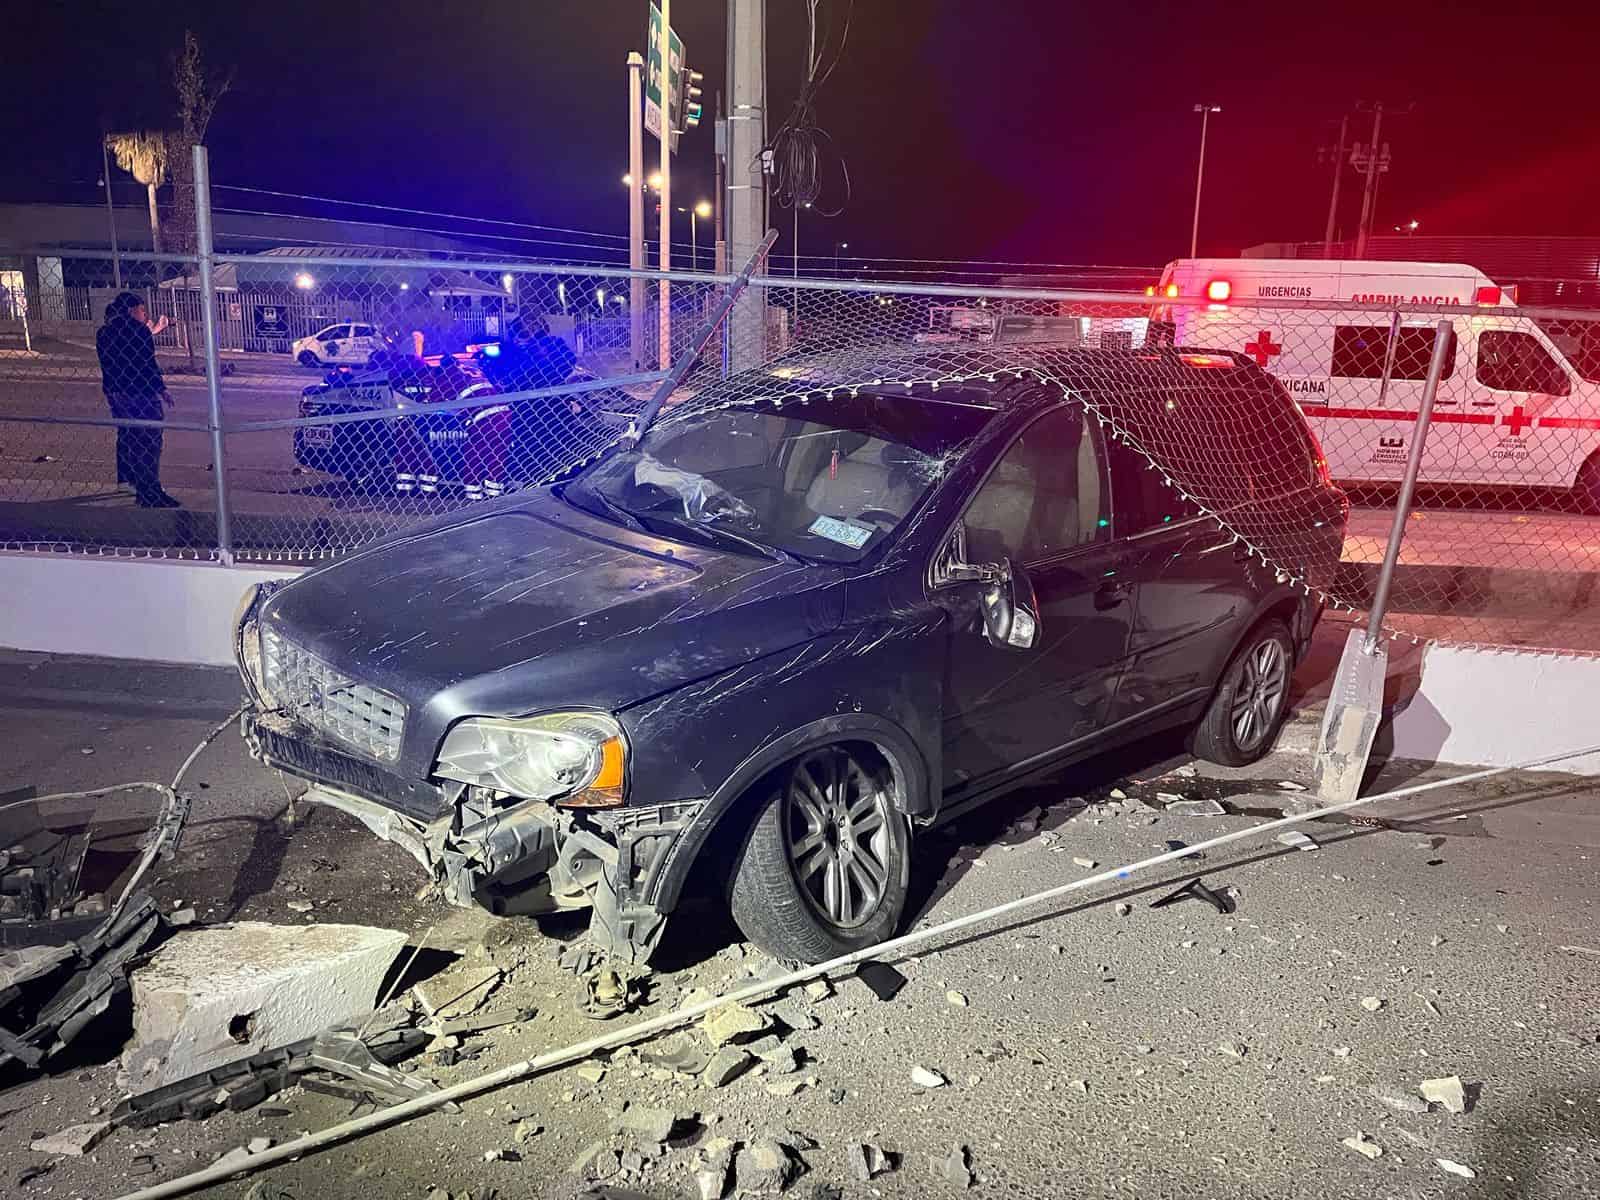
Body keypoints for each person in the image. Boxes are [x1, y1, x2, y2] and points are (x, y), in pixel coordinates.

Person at [96, 292, 178, 508]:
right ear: (132, 310)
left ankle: (133, 482)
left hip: (117, 393)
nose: (145, 314)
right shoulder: (139, 331)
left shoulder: (104, 333)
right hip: (141, 392)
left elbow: (108, 365)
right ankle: (149, 489)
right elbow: (147, 364)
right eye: (142, 310)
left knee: (130, 437)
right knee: (150, 440)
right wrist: (162, 390)